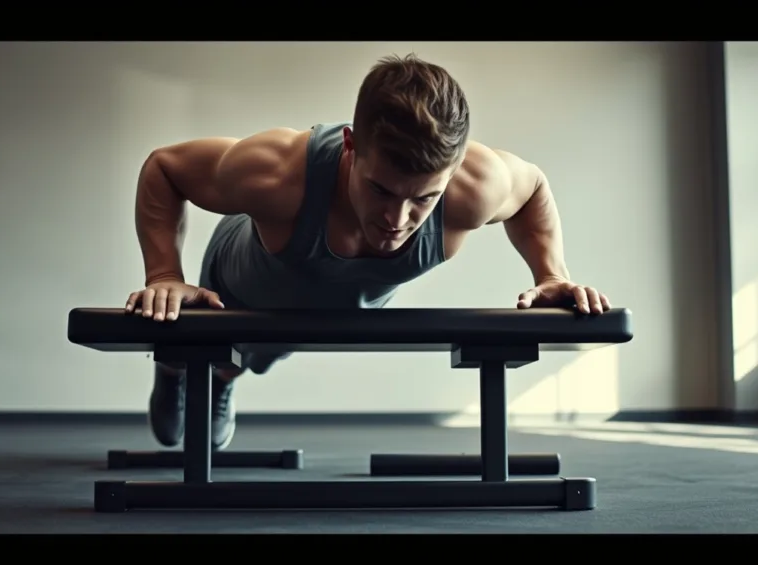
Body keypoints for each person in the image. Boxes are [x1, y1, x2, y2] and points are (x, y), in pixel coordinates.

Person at [126, 53, 612, 450]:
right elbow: (165, 168)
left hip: (332, 300)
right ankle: (175, 370)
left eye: (423, 198)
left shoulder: (478, 185)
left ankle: (225, 379)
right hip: (241, 275)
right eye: (381, 190)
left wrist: (551, 275)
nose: (397, 220)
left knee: (266, 348)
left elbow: (532, 191)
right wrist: (164, 275)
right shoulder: (276, 173)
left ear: (454, 168)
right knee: (215, 354)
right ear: (351, 146)